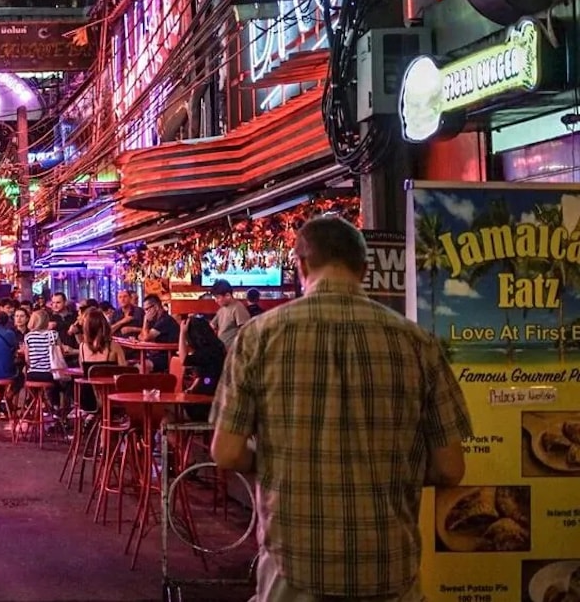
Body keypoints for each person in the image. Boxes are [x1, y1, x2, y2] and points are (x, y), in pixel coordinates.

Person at [211, 216, 471, 601]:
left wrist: (280, 459)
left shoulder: (257, 338)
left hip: (293, 570)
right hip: (390, 567)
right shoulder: (418, 342)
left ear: (300, 266)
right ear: (364, 269)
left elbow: (227, 452)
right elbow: (451, 467)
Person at [174, 316, 226, 422]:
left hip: (204, 407)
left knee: (168, 411)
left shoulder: (206, 352)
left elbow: (183, 360)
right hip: (215, 404)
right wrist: (192, 388)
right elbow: (203, 375)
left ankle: (167, 438)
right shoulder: (217, 348)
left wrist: (182, 333)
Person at [21, 310, 64, 409]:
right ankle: (55, 407)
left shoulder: (28, 337)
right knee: (60, 383)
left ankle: (34, 406)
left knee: (36, 387)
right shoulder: (53, 334)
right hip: (49, 374)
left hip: (33, 375)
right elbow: (60, 352)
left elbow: (27, 359)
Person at [139, 296, 180, 372]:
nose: (146, 313)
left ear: (156, 307)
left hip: (168, 357)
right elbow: (140, 336)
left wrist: (145, 322)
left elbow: (145, 338)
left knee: (142, 367)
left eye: (147, 309)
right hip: (156, 355)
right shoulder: (156, 320)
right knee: (133, 365)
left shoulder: (165, 320)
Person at [208, 279, 252, 348]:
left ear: (228, 295)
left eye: (218, 297)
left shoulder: (238, 307)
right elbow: (211, 326)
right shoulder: (221, 310)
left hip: (233, 351)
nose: (216, 301)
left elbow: (246, 331)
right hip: (222, 350)